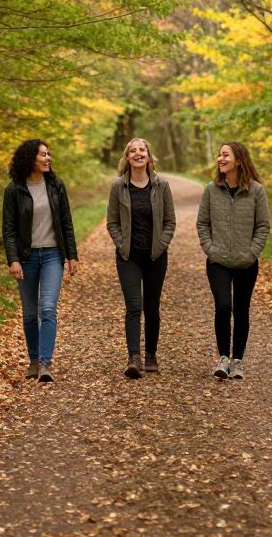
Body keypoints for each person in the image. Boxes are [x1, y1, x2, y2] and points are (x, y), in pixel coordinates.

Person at [2, 139, 78, 383]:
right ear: (29, 159)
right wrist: (13, 259)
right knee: (29, 313)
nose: (48, 158)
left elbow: (66, 222)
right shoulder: (14, 190)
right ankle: (34, 361)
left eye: (49, 154)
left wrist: (72, 255)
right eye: (43, 155)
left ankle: (46, 363)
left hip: (53, 255)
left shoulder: (56, 185)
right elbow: (9, 229)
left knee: (47, 308)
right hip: (26, 257)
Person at [196, 141, 270, 380]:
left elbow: (263, 226)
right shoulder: (211, 189)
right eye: (219, 155)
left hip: (246, 262)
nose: (221, 159)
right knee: (223, 306)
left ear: (239, 159)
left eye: (225, 155)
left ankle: (238, 360)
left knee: (241, 309)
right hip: (218, 261)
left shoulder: (256, 190)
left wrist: (252, 253)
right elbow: (202, 224)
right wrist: (210, 249)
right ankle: (223, 358)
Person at [107, 138, 176, 379]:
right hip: (129, 257)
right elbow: (112, 222)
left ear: (149, 156)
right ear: (127, 158)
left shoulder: (161, 185)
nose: (138, 153)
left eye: (142, 150)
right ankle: (134, 358)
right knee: (134, 306)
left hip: (156, 256)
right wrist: (121, 244)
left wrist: (161, 244)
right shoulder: (119, 186)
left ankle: (151, 354)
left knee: (152, 308)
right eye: (133, 151)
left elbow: (170, 221)